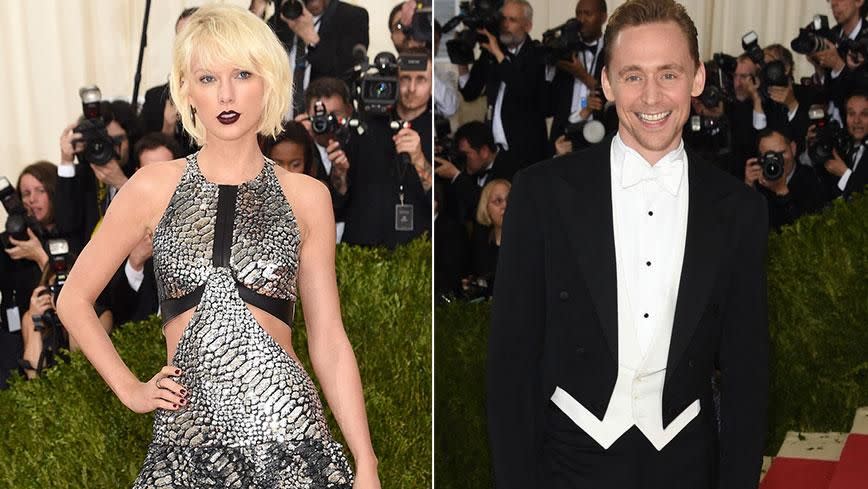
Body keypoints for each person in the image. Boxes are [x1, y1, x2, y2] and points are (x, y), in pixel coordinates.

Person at [56, 5, 379, 487]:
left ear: (267, 82)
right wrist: (131, 389)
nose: (226, 94)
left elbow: (329, 339)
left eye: (242, 74)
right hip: (185, 442)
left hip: (290, 433)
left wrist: (366, 461)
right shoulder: (150, 188)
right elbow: (73, 299)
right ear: (186, 89)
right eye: (207, 78)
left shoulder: (308, 197)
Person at [487, 1, 769, 488]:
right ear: (608, 84)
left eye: (669, 74)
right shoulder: (541, 192)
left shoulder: (739, 210)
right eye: (633, 76)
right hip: (567, 464)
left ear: (698, 79)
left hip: (688, 465)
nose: (652, 95)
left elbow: (748, 371)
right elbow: (511, 359)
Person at [456, 0, 551, 169]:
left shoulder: (537, 54)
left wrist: (499, 56)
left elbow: (524, 91)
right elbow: (470, 92)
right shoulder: (492, 53)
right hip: (496, 153)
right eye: (503, 19)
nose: (505, 25)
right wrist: (461, 59)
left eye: (512, 20)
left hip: (527, 152)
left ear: (528, 26)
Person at [548, 0, 609, 155]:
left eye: (588, 14)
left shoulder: (612, 52)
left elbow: (614, 95)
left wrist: (582, 75)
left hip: (597, 135)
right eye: (578, 14)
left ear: (603, 17)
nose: (581, 20)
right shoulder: (565, 50)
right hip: (564, 136)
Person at [744, 128, 825, 230]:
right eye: (770, 157)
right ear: (760, 159)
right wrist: (748, 189)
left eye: (781, 153)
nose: (777, 161)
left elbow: (809, 231)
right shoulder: (759, 183)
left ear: (793, 148)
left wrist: (782, 191)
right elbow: (747, 228)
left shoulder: (812, 178)